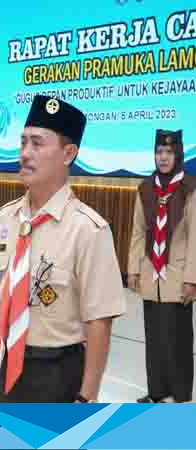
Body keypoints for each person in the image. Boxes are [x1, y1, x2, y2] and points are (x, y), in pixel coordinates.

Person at [0, 95, 126, 403]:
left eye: (37, 144)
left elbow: (99, 322)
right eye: (23, 142)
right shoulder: (5, 218)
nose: (25, 153)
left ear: (68, 153)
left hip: (56, 374)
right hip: (4, 363)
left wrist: (87, 397)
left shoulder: (89, 230)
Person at [128, 129, 196, 403]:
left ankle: (179, 394)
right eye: (159, 152)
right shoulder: (146, 188)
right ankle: (157, 390)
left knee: (177, 339)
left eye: (168, 152)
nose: (163, 157)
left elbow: (195, 237)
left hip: (177, 277)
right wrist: (133, 268)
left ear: (178, 154)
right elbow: (138, 231)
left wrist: (192, 278)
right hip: (151, 275)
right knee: (154, 337)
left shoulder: (190, 189)